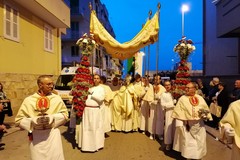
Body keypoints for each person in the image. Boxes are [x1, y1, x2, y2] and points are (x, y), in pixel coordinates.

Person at [15, 75, 69, 160]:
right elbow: (19, 120)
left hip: (52, 134)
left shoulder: (57, 98)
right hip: (36, 136)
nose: (51, 86)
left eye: (52, 84)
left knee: (55, 156)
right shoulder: (29, 100)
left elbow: (65, 115)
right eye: (48, 84)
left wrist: (52, 118)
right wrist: (34, 121)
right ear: (40, 85)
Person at [172, 82, 212, 160]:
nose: (186, 89)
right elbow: (178, 112)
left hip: (199, 125)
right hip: (187, 125)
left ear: (194, 89)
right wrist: (179, 124)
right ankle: (188, 157)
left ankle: (199, 156)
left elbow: (205, 109)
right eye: (186, 87)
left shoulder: (200, 98)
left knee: (200, 141)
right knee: (188, 142)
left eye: (188, 88)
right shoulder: (182, 98)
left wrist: (205, 115)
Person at [78, 74, 105, 152]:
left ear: (100, 80)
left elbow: (101, 99)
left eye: (97, 78)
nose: (96, 79)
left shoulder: (101, 89)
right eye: (94, 78)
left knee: (95, 128)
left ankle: (96, 145)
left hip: (95, 111)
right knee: (86, 128)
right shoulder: (89, 88)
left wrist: (92, 93)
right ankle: (86, 146)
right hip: (87, 110)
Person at [148, 74, 166, 140]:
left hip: (160, 106)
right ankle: (152, 133)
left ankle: (159, 133)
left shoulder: (163, 88)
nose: (156, 80)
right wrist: (152, 101)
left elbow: (164, 97)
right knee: (152, 119)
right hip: (153, 106)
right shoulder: (151, 87)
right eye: (155, 79)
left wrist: (159, 99)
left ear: (160, 80)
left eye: (158, 79)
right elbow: (149, 96)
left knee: (160, 120)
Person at [161, 80, 176, 150]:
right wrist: (172, 104)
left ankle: (175, 143)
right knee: (168, 128)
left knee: (176, 128)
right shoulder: (163, 94)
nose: (167, 86)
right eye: (166, 85)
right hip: (169, 112)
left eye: (169, 85)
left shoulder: (175, 93)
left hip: (176, 112)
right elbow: (163, 105)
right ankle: (168, 143)